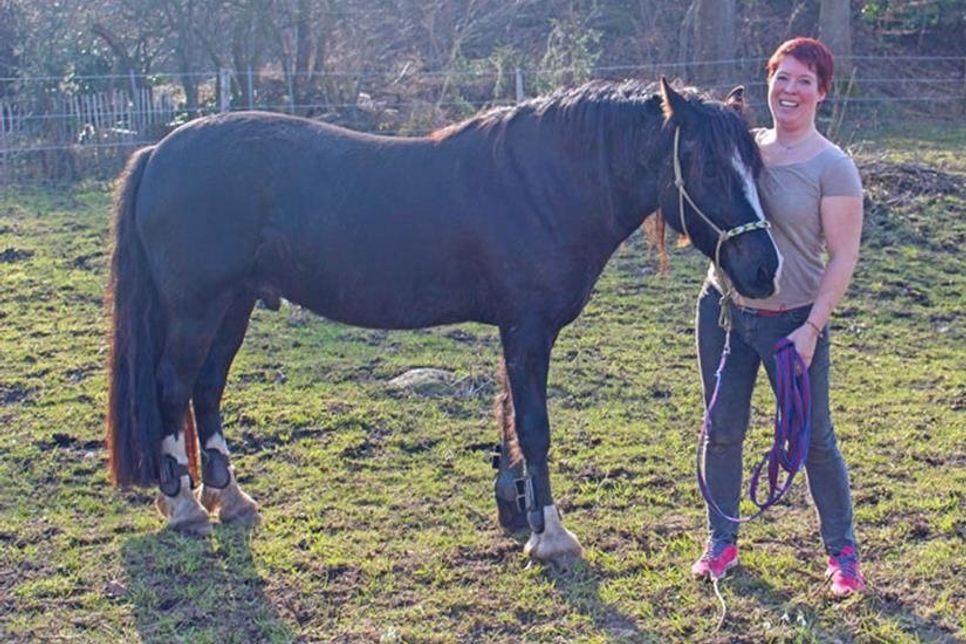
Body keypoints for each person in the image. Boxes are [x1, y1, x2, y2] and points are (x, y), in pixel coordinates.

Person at [690, 37, 866, 597]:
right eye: (782, 77)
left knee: (813, 441)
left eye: (804, 82)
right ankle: (722, 541)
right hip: (724, 313)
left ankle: (843, 555)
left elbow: (843, 256)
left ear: (821, 93)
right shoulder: (742, 146)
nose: (790, 90)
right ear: (768, 81)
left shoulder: (832, 167)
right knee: (722, 432)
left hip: (793, 323)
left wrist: (812, 329)